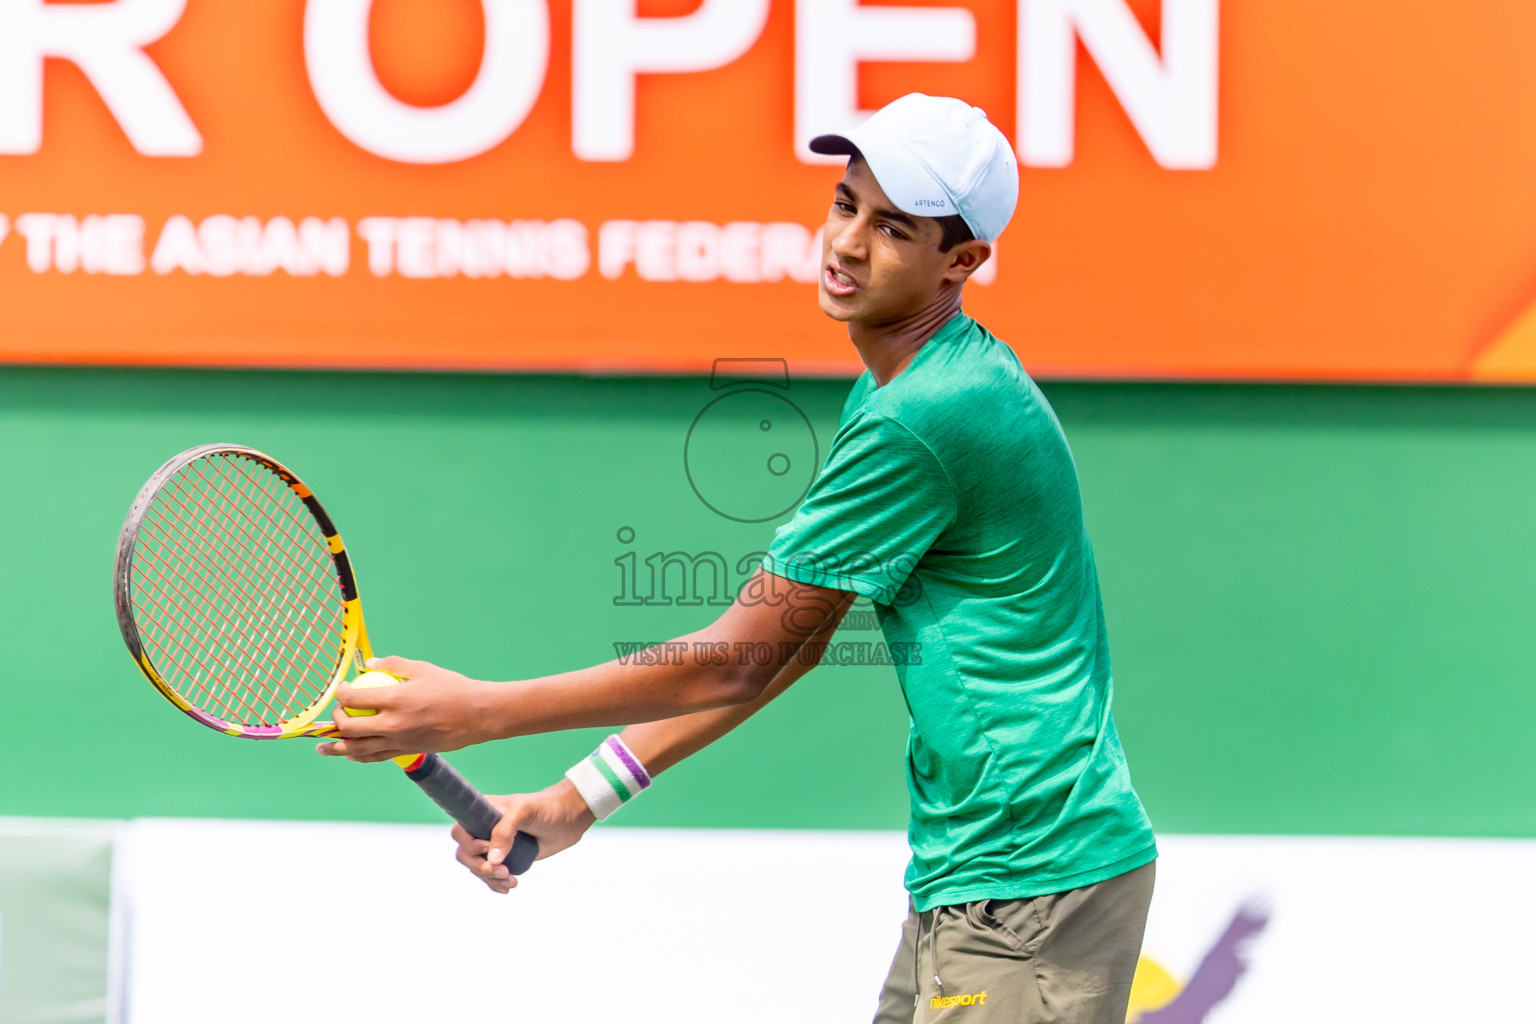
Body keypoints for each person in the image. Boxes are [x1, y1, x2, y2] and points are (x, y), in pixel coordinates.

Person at [319, 93, 1157, 1024]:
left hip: (1030, 884)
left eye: (892, 228)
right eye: (845, 205)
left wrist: (479, 712)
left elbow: (739, 657)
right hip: (991, 874)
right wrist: (580, 796)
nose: (847, 244)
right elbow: (793, 643)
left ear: (962, 262)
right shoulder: (925, 383)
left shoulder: (924, 415)